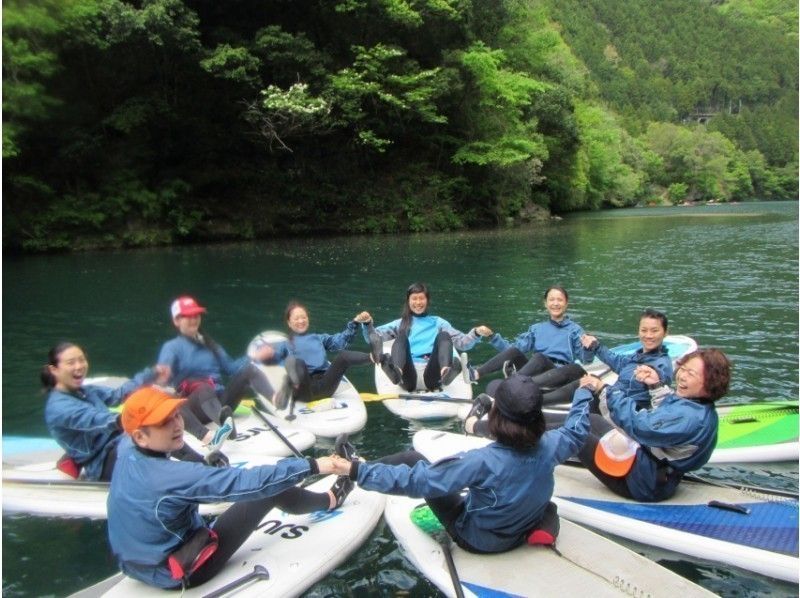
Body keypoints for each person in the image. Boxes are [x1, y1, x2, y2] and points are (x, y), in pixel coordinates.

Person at [107, 386, 352, 590]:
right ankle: (333, 497)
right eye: (164, 422)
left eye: (176, 415)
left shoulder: (126, 448)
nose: (177, 425)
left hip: (134, 567)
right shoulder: (168, 477)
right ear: (140, 436)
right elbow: (248, 483)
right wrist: (315, 465)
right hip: (181, 571)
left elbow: (175, 470)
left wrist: (204, 465)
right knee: (272, 490)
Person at [330, 375, 592, 554]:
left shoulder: (480, 462)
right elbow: (578, 428)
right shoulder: (553, 444)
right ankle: (541, 526)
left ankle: (356, 462)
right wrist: (583, 390)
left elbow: (417, 481)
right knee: (545, 502)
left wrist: (355, 471)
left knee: (412, 459)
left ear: (497, 416)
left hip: (479, 541)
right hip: (522, 527)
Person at [575, 348, 731, 502]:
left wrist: (605, 390)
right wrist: (655, 385)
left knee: (576, 433)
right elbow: (668, 411)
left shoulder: (691, 418)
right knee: (590, 419)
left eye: (691, 374)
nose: (682, 376)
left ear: (711, 382)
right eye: (683, 369)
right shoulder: (698, 407)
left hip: (640, 484)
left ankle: (552, 453)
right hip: (655, 472)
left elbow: (639, 425)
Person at [42, 341, 181, 481]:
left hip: (118, 444)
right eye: (71, 362)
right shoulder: (58, 407)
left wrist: (151, 374)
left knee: (166, 423)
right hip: (103, 462)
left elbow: (117, 395)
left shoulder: (86, 391)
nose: (78, 366)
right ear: (54, 370)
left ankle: (197, 465)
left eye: (81, 360)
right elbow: (97, 420)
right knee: (153, 430)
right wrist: (136, 418)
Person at [157, 296, 275, 446]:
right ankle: (221, 428)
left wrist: (255, 356)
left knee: (249, 370)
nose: (193, 319)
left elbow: (232, 369)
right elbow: (161, 381)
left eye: (196, 315)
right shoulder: (171, 348)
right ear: (177, 321)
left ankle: (277, 400)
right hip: (193, 410)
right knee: (203, 389)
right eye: (188, 316)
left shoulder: (210, 344)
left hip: (220, 403)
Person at [462, 285, 593, 404]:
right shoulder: (536, 329)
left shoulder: (575, 330)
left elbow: (586, 360)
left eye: (559, 300)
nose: (555, 303)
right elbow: (511, 350)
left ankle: (513, 384)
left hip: (560, 375)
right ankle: (477, 373)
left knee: (544, 359)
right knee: (520, 354)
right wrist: (492, 336)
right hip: (536, 374)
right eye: (551, 300)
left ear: (566, 304)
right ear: (545, 304)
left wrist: (588, 348)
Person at [255, 301, 383, 407]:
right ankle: (285, 391)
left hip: (326, 386)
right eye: (296, 318)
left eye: (304, 317)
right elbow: (273, 361)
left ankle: (376, 357)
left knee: (343, 356)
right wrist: (264, 356)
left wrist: (355, 323)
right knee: (296, 362)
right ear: (289, 322)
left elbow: (341, 341)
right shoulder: (285, 344)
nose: (301, 321)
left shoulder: (318, 338)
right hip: (304, 391)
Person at [365, 282, 484, 391]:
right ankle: (396, 371)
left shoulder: (438, 323)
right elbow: (374, 338)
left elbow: (463, 344)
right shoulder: (400, 323)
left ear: (427, 300)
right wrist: (367, 324)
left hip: (432, 375)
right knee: (401, 338)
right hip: (408, 376)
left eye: (421, 298)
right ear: (408, 301)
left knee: (444, 335)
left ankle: (446, 372)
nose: (418, 303)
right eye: (414, 299)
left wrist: (476, 333)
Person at [580, 308, 674, 406]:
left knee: (583, 387)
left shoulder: (662, 364)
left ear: (665, 332)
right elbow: (618, 362)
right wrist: (595, 346)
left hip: (623, 410)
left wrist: (654, 378)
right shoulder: (636, 356)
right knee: (576, 371)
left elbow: (662, 382)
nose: (648, 335)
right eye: (644, 330)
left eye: (654, 331)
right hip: (611, 398)